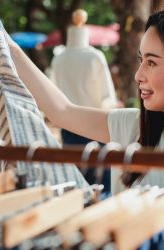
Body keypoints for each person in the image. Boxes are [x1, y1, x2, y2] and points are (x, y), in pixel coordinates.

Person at [0, 2, 164, 249]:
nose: (138, 75)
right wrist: (0, 39)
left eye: (152, 63)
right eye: (141, 60)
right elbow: (62, 111)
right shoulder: (132, 126)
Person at [50, 9, 118, 193]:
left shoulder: (58, 59)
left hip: (69, 128)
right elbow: (107, 99)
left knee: (76, 184)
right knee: (101, 187)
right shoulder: (95, 57)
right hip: (95, 125)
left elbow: (52, 94)